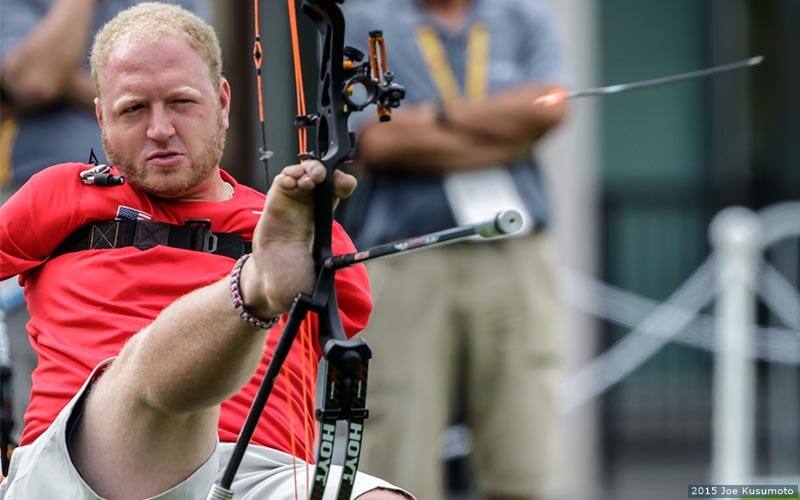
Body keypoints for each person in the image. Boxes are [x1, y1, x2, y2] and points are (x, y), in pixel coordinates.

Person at [0, 3, 412, 499]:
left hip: (257, 471)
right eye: (133, 109)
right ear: (101, 117)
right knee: (143, 377)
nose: (159, 130)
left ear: (222, 100)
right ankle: (254, 286)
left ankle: (259, 283)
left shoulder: (293, 223)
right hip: (80, 469)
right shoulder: (63, 193)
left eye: (181, 102)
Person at [340, 0, 568, 499]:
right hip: (407, 253)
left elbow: (552, 105)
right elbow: (377, 141)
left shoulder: (522, 15)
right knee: (399, 442)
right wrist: (504, 130)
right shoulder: (365, 21)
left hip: (517, 250)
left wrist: (437, 119)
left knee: (526, 439)